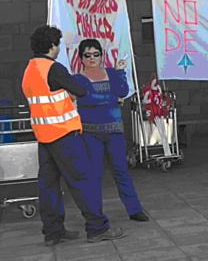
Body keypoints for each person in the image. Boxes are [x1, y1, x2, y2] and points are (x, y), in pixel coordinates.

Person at [21, 25, 125, 245]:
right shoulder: (53, 68)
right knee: (83, 180)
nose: (59, 48)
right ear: (52, 46)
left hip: (43, 136)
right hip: (64, 134)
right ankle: (97, 228)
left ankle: (53, 232)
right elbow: (81, 90)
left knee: (49, 186)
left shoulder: (29, 69)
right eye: (58, 44)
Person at [72, 39, 148, 222]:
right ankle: (95, 214)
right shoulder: (76, 80)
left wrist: (120, 72)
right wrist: (112, 99)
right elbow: (88, 99)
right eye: (87, 55)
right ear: (81, 58)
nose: (92, 58)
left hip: (114, 132)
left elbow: (122, 91)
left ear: (102, 56)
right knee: (94, 174)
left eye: (95, 54)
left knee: (121, 171)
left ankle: (134, 209)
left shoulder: (112, 73)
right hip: (90, 134)